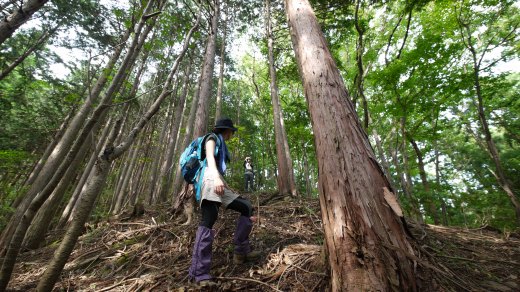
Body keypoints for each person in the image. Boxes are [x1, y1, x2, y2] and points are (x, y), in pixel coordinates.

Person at [188, 117, 259, 286]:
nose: (231, 135)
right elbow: (210, 159)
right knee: (209, 218)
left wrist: (227, 186)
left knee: (246, 207)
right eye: (231, 132)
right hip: (208, 179)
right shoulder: (212, 138)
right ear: (226, 130)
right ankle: (198, 274)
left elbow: (218, 168)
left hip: (217, 180)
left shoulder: (221, 142)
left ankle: (241, 251)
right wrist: (216, 179)